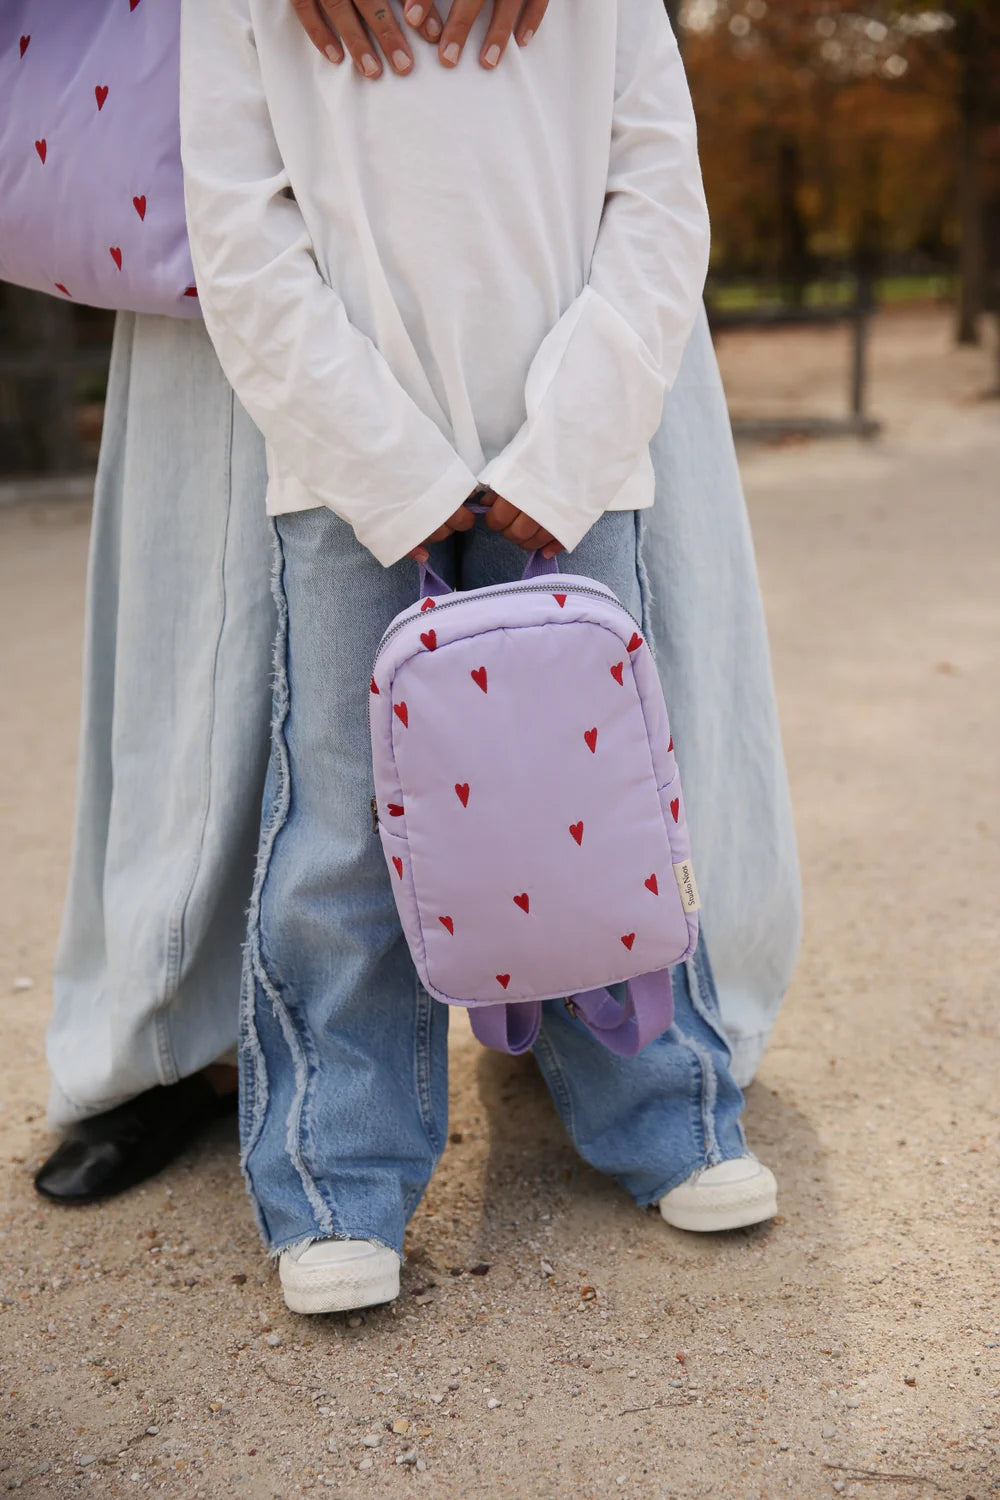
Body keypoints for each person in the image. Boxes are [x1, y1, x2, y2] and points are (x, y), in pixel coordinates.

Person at [180, 0, 783, 1316]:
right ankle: (336, 1172)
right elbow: (238, 235)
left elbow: (658, 195)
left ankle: (657, 1102)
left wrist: (572, 440)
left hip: (576, 459)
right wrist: (386, 466)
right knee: (341, 819)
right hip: (345, 470)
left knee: (592, 814)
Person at [33, 0, 559, 1206]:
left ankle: (602, 997)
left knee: (576, 539)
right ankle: (187, 1033)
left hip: (537, 122)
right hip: (248, 70)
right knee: (233, 592)